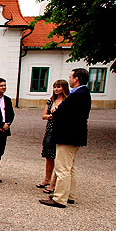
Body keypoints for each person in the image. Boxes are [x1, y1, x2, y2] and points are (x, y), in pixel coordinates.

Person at [40, 68, 92, 208]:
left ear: (76, 79)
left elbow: (63, 113)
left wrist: (57, 111)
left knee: (62, 168)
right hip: (74, 135)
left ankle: (59, 198)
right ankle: (69, 195)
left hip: (67, 135)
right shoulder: (83, 93)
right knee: (70, 167)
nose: (69, 79)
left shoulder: (78, 94)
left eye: (70, 77)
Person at [36, 79, 70, 193]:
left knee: (58, 157)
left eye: (59, 87)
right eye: (55, 87)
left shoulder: (67, 101)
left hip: (60, 130)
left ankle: (53, 183)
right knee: (48, 156)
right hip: (50, 130)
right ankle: (47, 179)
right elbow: (43, 115)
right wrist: (50, 116)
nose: (56, 89)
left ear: (64, 88)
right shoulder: (51, 101)